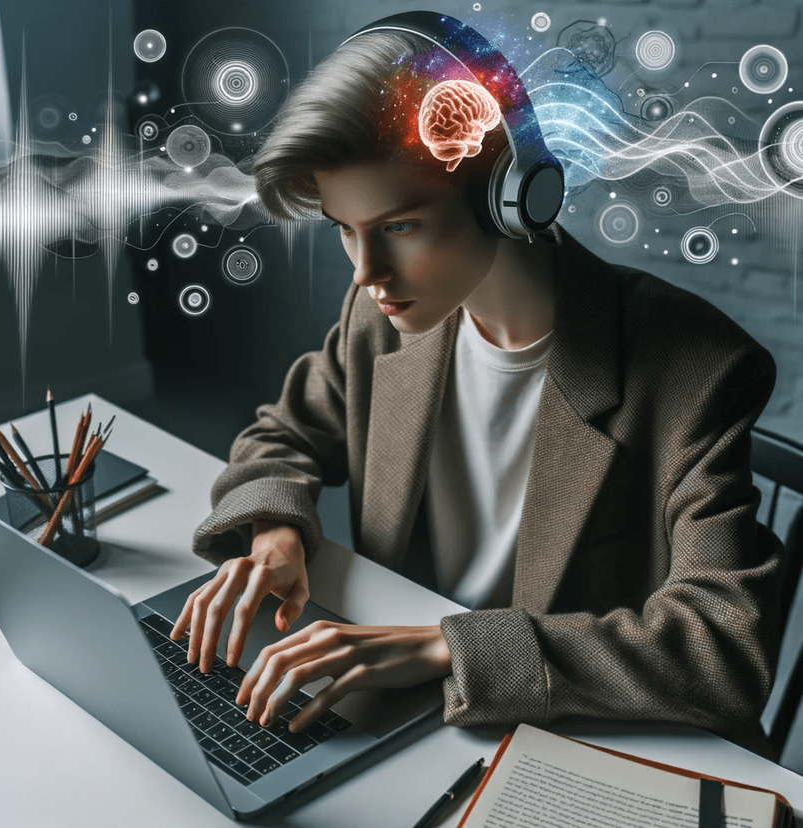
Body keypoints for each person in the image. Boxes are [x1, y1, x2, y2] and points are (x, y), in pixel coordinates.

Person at [170, 18, 783, 755]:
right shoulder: (375, 321)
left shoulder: (698, 370)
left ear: (512, 195)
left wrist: (450, 649)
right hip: (410, 720)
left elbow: (721, 651)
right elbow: (281, 436)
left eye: (399, 227)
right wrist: (274, 536)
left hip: (578, 741)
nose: (365, 273)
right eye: (344, 228)